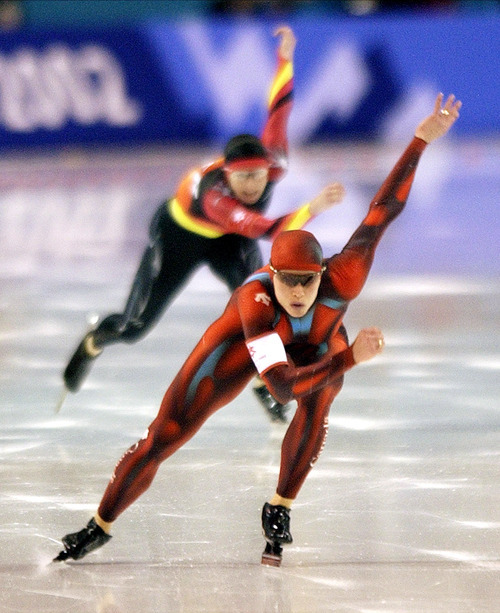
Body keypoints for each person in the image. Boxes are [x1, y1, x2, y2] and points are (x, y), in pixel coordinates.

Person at [54, 92, 461, 566]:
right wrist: (350, 359)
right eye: (285, 280)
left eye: (305, 282)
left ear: (321, 275)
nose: (295, 292)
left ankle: (280, 506)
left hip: (314, 341)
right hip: (240, 346)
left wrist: (418, 141)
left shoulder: (346, 274)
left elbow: (383, 209)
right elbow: (282, 388)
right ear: (272, 275)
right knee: (164, 435)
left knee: (322, 396)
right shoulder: (257, 299)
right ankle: (99, 525)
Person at [60, 25, 345, 423]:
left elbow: (279, 107)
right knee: (135, 325)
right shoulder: (216, 197)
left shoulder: (273, 162)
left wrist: (285, 56)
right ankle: (94, 340)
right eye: (241, 178)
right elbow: (261, 228)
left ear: (269, 171)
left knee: (262, 308)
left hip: (229, 240)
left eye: (257, 177)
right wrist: (312, 207)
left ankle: (266, 384)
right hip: (180, 236)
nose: (250, 185)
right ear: (226, 175)